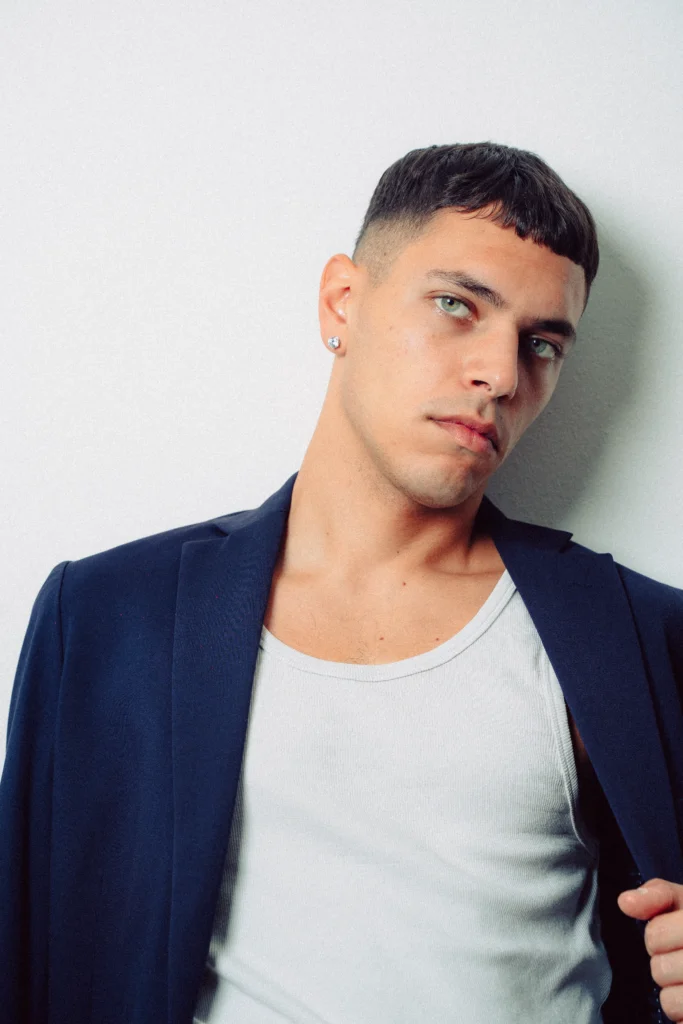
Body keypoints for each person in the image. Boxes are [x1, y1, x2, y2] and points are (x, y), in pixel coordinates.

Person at [1, 142, 682, 1024]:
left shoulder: (636, 636)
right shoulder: (105, 615)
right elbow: (30, 953)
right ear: (342, 303)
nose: (500, 374)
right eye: (455, 305)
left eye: (541, 344)